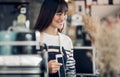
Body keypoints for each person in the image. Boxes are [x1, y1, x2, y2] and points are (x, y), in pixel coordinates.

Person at [34, 0, 76, 77]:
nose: (63, 18)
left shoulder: (67, 41)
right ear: (47, 14)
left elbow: (70, 72)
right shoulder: (34, 39)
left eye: (65, 14)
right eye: (59, 14)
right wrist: (45, 68)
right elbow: (26, 70)